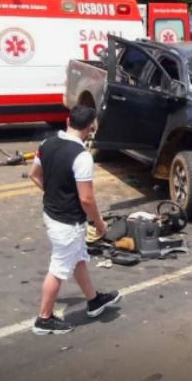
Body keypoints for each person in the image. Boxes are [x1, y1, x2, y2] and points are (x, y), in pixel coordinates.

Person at [28, 106, 120, 335]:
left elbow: (34, 175)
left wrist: (53, 194)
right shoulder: (82, 156)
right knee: (59, 269)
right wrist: (99, 224)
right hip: (68, 222)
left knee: (79, 258)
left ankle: (94, 300)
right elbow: (87, 199)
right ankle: (44, 319)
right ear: (91, 128)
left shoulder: (46, 144)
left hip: (51, 214)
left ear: (68, 120)